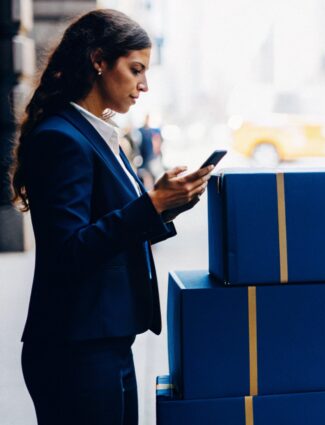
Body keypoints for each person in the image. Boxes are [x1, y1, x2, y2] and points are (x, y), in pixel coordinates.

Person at [8, 10, 212, 424]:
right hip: (75, 349)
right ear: (99, 61)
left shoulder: (99, 134)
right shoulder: (62, 138)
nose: (144, 85)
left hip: (104, 342)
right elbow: (68, 250)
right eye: (136, 69)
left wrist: (168, 204)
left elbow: (115, 225)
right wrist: (152, 204)